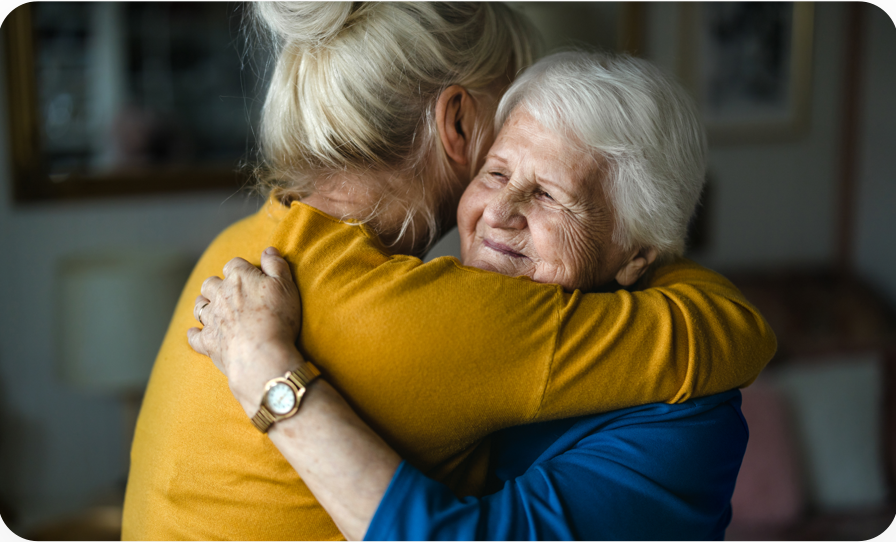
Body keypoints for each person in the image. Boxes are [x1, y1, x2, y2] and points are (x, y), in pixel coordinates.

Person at [122, 4, 775, 540]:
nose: (501, 211)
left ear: (638, 254)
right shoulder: (430, 314)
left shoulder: (235, 249)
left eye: (551, 195)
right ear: (458, 122)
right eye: (496, 166)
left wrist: (270, 374)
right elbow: (731, 332)